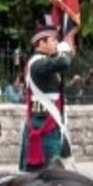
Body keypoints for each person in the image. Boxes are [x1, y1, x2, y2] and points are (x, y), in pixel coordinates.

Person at [19, 23, 72, 171]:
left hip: (50, 120)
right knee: (45, 172)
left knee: (54, 170)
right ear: (41, 43)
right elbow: (64, 62)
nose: (56, 43)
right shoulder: (37, 63)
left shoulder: (45, 62)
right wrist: (64, 50)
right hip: (42, 122)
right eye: (52, 40)